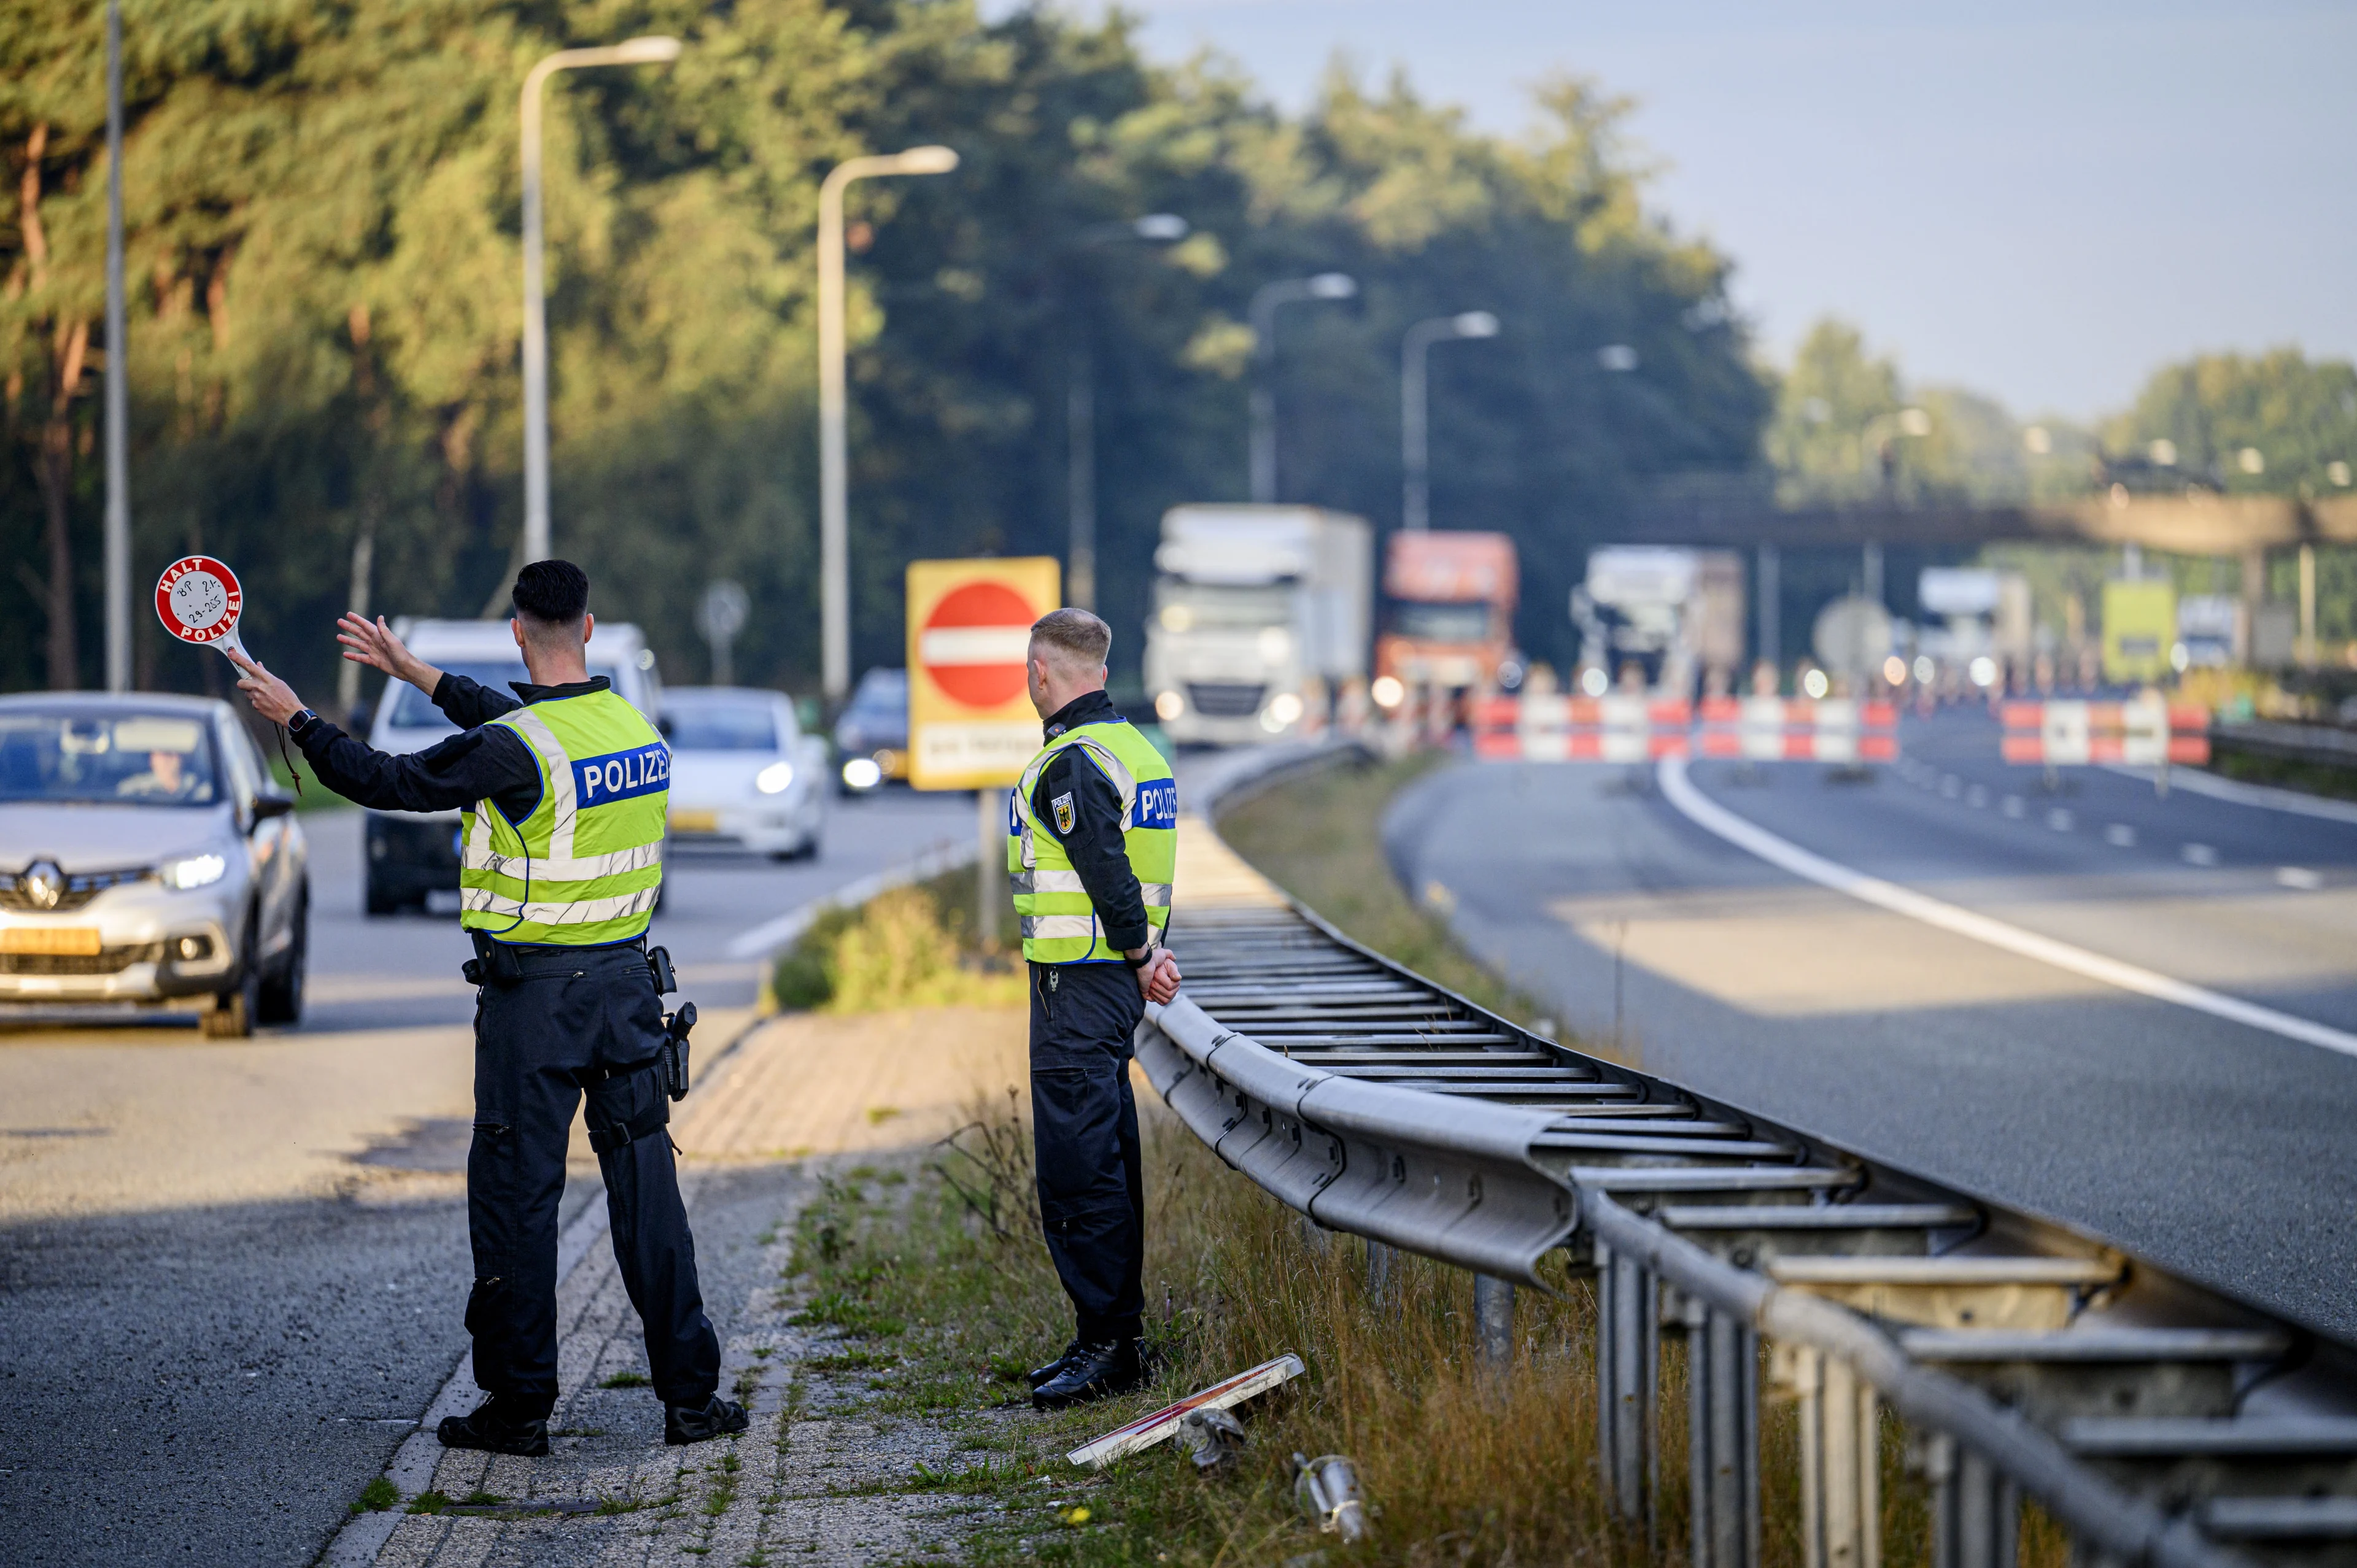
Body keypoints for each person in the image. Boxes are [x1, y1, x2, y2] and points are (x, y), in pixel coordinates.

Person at [226, 560, 746, 1456]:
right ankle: (692, 1399)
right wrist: (415, 673)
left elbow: (390, 781)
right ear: (589, 628)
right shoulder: (629, 726)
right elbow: (517, 726)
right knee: (648, 1195)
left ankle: (519, 1408)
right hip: (627, 994)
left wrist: (297, 720)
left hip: (535, 1006)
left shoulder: (519, 750)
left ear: (518, 631)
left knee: (516, 1199)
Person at [1007, 608, 1182, 1410]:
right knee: (1107, 1154)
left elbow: (1107, 870)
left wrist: (1143, 954)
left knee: (1080, 1171)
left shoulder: (1073, 761)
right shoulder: (1138, 751)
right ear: (1103, 673)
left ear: (1042, 672)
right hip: (1104, 987)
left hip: (1081, 986)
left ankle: (1109, 1348)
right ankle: (1106, 1335)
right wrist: (1145, 953)